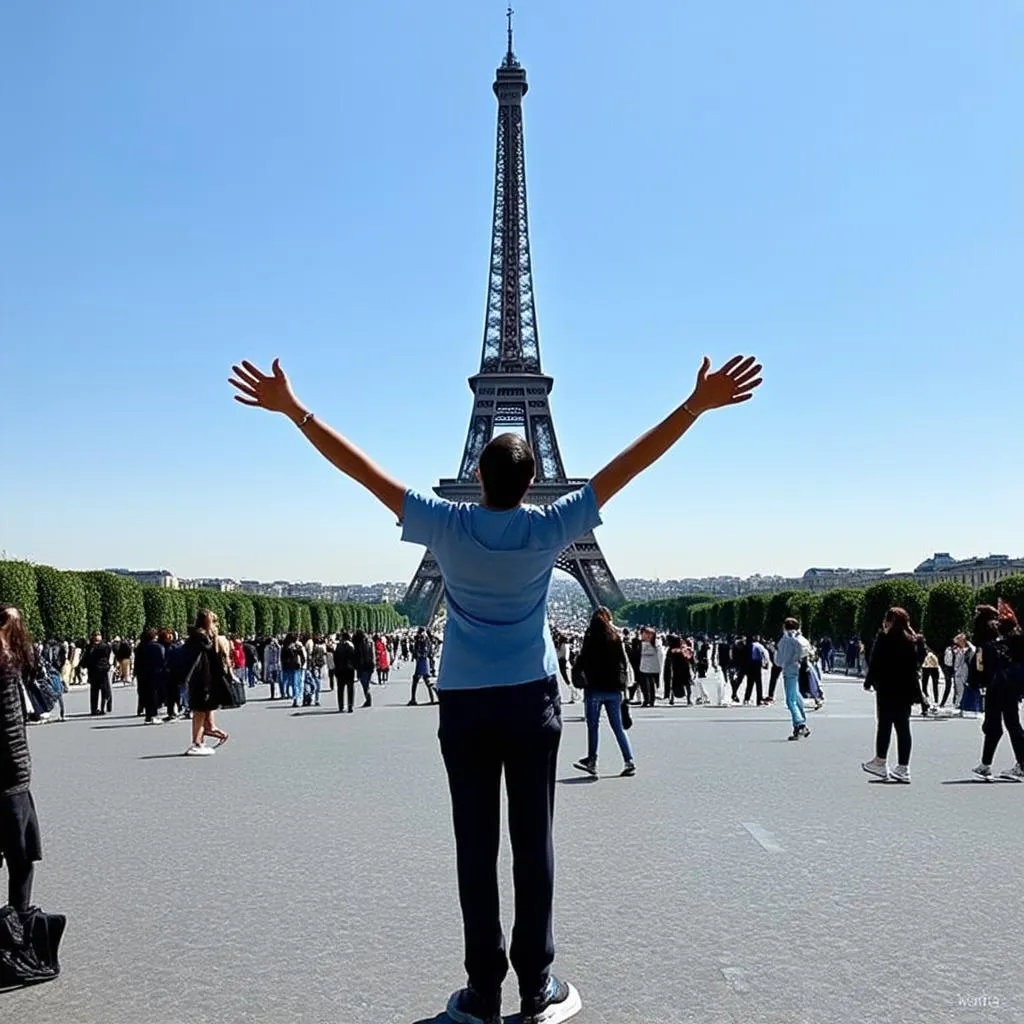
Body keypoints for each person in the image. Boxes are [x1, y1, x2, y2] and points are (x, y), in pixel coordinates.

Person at [228, 348, 761, 1024]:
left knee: (474, 850)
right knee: (533, 847)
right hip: (531, 698)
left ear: (474, 472)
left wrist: (294, 410)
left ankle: (483, 991)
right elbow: (626, 469)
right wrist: (694, 406)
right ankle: (536, 987)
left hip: (465, 702)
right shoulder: (549, 525)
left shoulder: (446, 524)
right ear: (536, 476)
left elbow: (364, 474)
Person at [0, 606, 45, 916]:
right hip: (9, 777)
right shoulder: (6, 665)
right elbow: (10, 728)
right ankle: (17, 925)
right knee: (21, 859)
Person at [861, 607, 923, 784]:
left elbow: (875, 661)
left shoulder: (885, 637)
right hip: (906, 688)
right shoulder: (913, 639)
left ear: (889, 621)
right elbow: (919, 660)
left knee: (884, 724)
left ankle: (880, 761)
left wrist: (868, 681)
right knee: (903, 727)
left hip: (887, 687)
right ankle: (904, 767)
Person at [571, 607, 635, 777]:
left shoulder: (590, 636)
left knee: (593, 727)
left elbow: (582, 659)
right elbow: (623, 662)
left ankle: (592, 760)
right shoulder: (615, 637)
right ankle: (629, 761)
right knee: (618, 728)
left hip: (594, 688)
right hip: (614, 689)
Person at [971, 602, 1024, 782]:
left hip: (997, 686)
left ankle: (988, 764)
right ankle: (989, 764)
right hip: (1009, 684)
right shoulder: (1005, 639)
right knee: (1011, 724)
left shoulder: (985, 643)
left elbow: (980, 669)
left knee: (994, 726)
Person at [175, 610, 232, 756]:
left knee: (202, 710)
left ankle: (201, 738)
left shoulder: (198, 638)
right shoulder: (202, 639)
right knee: (200, 711)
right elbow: (202, 661)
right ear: (208, 622)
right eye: (214, 621)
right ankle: (197, 742)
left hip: (201, 678)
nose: (216, 624)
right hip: (202, 679)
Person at [775, 619, 810, 741]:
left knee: (790, 700)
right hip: (795, 667)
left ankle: (800, 723)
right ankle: (800, 723)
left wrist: (784, 662)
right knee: (796, 695)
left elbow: (778, 658)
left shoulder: (785, 639)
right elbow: (800, 651)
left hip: (788, 669)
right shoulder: (796, 638)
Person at [134, 628, 166, 724]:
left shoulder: (140, 646)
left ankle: (148, 716)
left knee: (145, 694)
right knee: (154, 695)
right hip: (155, 674)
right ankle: (153, 715)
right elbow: (163, 661)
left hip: (142, 674)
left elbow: (137, 661)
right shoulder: (158, 647)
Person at [81, 632, 113, 716]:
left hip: (96, 670)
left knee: (97, 690)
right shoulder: (103, 646)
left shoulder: (91, 647)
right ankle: (101, 708)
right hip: (99, 670)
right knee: (103, 690)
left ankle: (95, 709)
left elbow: (86, 657)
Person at [334, 631, 357, 713]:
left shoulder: (338, 646)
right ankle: (350, 705)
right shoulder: (351, 646)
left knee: (340, 689)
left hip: (340, 670)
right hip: (349, 670)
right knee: (350, 688)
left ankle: (341, 705)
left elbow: (335, 659)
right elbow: (354, 658)